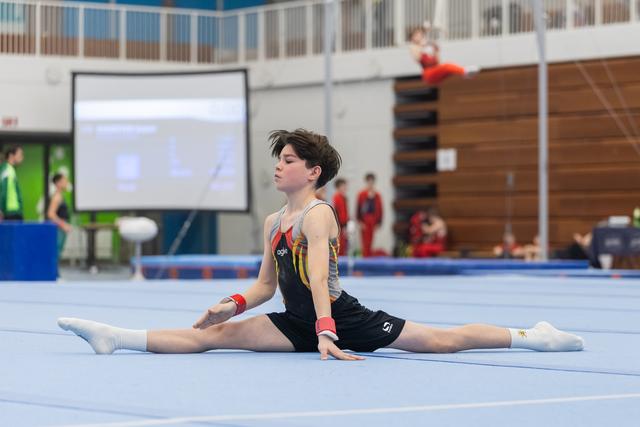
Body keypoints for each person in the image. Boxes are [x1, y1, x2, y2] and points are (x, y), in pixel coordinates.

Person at [57, 129, 584, 360]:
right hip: (297, 321)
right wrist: (231, 305)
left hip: (342, 318)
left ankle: (532, 336)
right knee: (212, 338)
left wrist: (329, 335)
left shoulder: (319, 214)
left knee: (442, 342)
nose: (278, 165)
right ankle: (117, 337)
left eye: (287, 159)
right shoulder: (273, 220)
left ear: (312, 172)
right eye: (279, 158)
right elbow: (268, 284)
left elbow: (316, 280)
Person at [408, 25, 480, 85]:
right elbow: (417, 57)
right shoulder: (413, 47)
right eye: (416, 35)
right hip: (428, 74)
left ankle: (464, 74)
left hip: (436, 71)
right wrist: (423, 46)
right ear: (412, 38)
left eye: (420, 35)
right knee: (447, 66)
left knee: (449, 68)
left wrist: (435, 50)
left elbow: (438, 62)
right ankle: (465, 71)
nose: (419, 37)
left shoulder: (429, 45)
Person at [356, 173, 383, 257]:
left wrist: (379, 222)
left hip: (373, 219)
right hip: (365, 219)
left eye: (372, 182)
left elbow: (380, 209)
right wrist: (359, 221)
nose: (370, 184)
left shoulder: (377, 195)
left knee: (371, 241)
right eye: (369, 182)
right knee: (365, 242)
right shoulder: (361, 194)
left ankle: (369, 257)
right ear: (366, 182)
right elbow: (358, 208)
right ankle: (365, 257)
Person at [47, 173, 72, 258]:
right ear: (58, 183)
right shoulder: (57, 197)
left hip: (60, 229)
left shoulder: (60, 195)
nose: (67, 182)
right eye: (64, 180)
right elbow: (51, 214)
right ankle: (53, 271)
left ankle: (54, 271)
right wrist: (63, 224)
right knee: (55, 253)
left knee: (57, 253)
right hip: (58, 229)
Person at [0, 145, 25, 221]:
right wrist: (1, 210)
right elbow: (3, 191)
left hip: (14, 212)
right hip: (11, 213)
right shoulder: (7, 170)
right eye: (20, 155)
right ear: (11, 155)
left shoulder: (10, 169)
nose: (22, 158)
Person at [332, 178, 349, 256]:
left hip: (343, 225)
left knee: (344, 246)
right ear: (338, 187)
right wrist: (343, 226)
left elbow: (345, 213)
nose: (345, 188)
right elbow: (339, 213)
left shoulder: (343, 198)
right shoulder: (337, 198)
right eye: (343, 186)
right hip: (340, 226)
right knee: (340, 247)